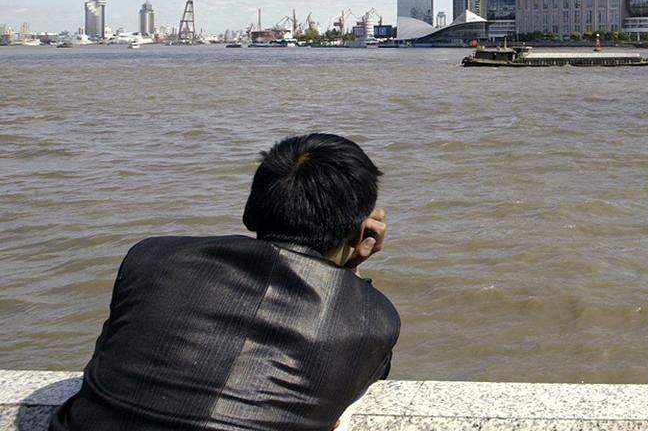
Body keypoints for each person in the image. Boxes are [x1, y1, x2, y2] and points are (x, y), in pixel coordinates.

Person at [52, 133, 400, 431]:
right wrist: (350, 271)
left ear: (250, 211)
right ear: (360, 232)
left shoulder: (151, 258)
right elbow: (357, 376)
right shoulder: (376, 318)